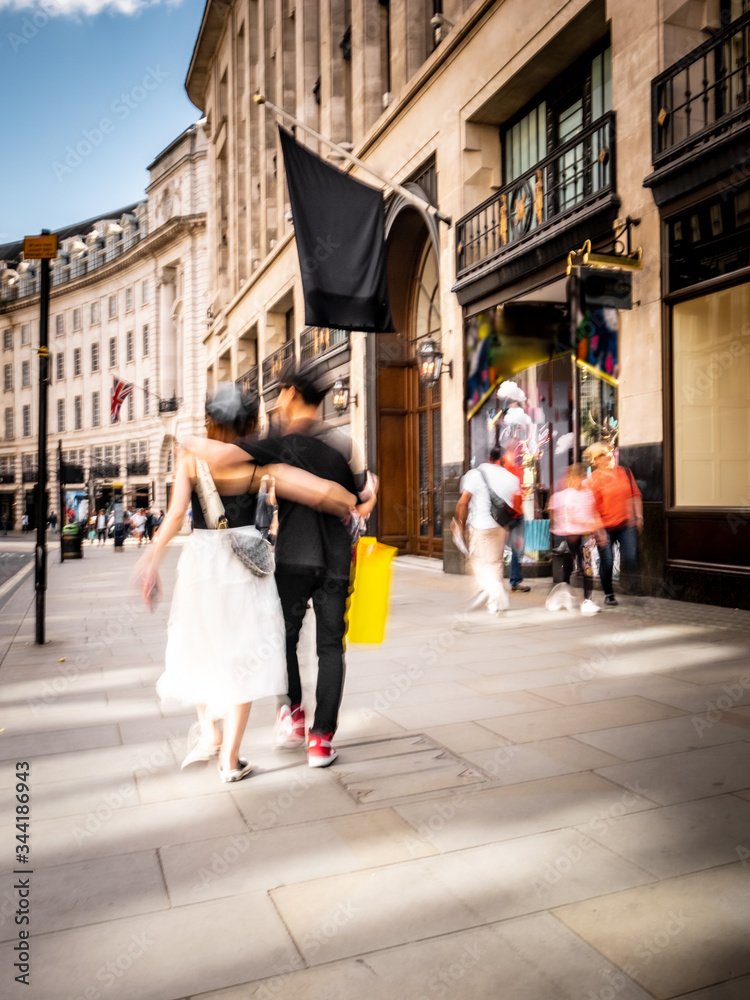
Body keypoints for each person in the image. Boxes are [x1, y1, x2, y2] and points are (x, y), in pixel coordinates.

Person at [137, 384, 357, 782]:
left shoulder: (189, 456)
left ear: (210, 421)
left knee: (202, 644)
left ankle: (209, 731)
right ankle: (231, 760)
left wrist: (150, 562)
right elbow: (319, 491)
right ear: (250, 424)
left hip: (201, 562)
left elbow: (173, 518)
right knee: (244, 654)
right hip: (244, 564)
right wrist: (351, 499)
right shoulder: (256, 463)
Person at [454, 446, 520, 614]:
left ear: (488, 458)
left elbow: (463, 501)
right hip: (500, 527)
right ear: (502, 461)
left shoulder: (476, 473)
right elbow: (514, 506)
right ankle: (495, 603)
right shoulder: (511, 478)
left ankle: (494, 590)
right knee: (495, 562)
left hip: (480, 525)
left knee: (478, 561)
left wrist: (459, 523)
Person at [584, 442, 643, 607]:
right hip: (605, 527)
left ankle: (635, 588)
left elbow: (635, 494)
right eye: (603, 454)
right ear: (596, 461)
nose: (609, 455)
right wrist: (598, 529)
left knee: (630, 557)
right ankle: (609, 594)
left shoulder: (624, 472)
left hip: (626, 524)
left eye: (609, 452)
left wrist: (639, 516)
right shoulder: (593, 480)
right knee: (607, 561)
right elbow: (592, 508)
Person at [546, 464, 601, 615]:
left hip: (582, 536)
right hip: (570, 536)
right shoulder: (567, 495)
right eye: (579, 477)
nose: (581, 480)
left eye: (583, 477)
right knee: (568, 569)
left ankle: (586, 600)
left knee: (586, 568)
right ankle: (563, 597)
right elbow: (569, 516)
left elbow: (593, 512)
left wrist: (597, 528)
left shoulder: (587, 494)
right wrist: (590, 524)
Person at [500, 444, 530, 593]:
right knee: (496, 550)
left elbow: (521, 491)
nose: (520, 453)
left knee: (518, 550)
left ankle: (516, 581)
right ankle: (492, 582)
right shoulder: (500, 467)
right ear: (511, 450)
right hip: (503, 516)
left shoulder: (520, 468)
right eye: (517, 450)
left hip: (518, 515)